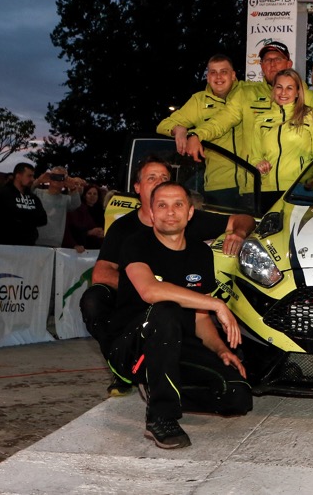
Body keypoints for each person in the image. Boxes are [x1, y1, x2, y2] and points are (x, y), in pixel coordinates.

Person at [80, 156, 255, 395]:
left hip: (182, 314)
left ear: (189, 211)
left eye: (164, 178)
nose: (159, 182)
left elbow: (243, 219)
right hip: (139, 311)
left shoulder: (187, 223)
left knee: (236, 393)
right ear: (138, 189)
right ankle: (121, 364)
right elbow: (101, 273)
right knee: (94, 298)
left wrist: (239, 233)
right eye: (151, 178)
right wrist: (150, 287)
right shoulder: (126, 231)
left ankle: (174, 376)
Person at [106, 182, 252, 449]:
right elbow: (150, 291)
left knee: (237, 396)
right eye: (162, 205)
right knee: (166, 309)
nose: (170, 212)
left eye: (178, 205)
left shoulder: (201, 253)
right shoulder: (136, 244)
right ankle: (161, 416)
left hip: (176, 343)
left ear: (190, 213)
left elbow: (198, 318)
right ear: (151, 213)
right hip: (133, 347)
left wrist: (220, 350)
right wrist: (216, 304)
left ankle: (162, 383)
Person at [184, 41, 313, 174]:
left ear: (288, 64)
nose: (272, 64)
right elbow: (221, 121)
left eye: (278, 59)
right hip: (258, 185)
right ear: (261, 66)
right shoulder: (246, 93)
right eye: (267, 60)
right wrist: (196, 134)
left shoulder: (303, 92)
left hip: (296, 185)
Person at [157, 54, 248, 206]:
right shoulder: (199, 101)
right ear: (207, 77)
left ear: (233, 75)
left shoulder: (248, 93)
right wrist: (179, 130)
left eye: (224, 71)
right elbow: (163, 125)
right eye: (213, 72)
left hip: (254, 184)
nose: (218, 77)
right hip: (219, 185)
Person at [256, 69, 313, 211]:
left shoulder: (311, 115)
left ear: (297, 92)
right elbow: (254, 156)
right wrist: (258, 164)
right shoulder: (260, 120)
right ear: (273, 89)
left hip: (301, 190)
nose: (283, 93)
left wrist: (309, 178)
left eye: (289, 88)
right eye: (279, 87)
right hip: (268, 191)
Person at [0, 163, 48, 246]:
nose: (32, 179)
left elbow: (43, 219)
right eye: (29, 176)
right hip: (5, 245)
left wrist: (20, 217)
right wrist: (28, 217)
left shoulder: (33, 198)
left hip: (28, 246)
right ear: (18, 176)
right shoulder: (3, 195)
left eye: (33, 176)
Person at [33, 166, 85, 248]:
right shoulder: (38, 193)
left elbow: (76, 205)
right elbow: (24, 192)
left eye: (61, 177)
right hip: (36, 241)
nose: (57, 180)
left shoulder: (66, 199)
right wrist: (38, 181)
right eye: (54, 176)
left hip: (55, 243)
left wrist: (73, 188)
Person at [64, 184, 106, 251]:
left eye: (95, 194)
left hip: (97, 248)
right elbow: (72, 230)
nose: (92, 196)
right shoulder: (78, 209)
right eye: (89, 193)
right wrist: (89, 232)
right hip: (81, 247)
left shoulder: (102, 212)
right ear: (84, 195)